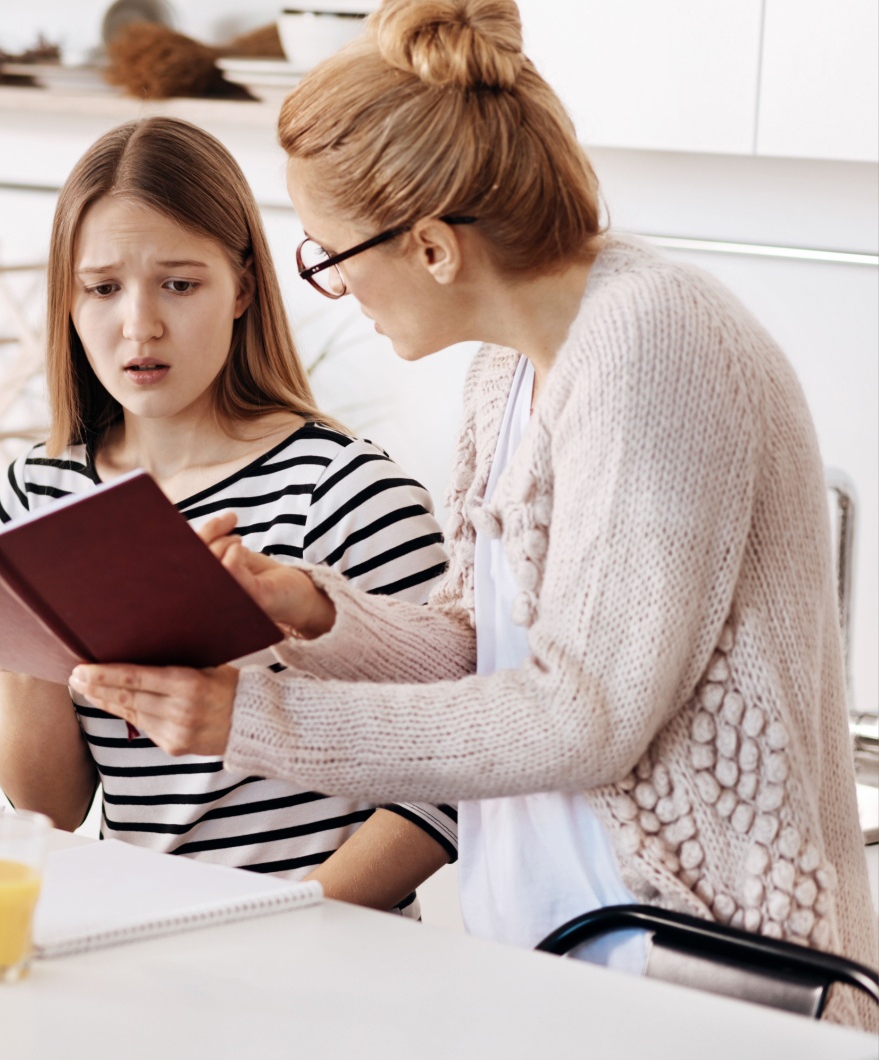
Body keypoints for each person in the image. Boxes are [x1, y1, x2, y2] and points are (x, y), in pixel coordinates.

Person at [67, 0, 879, 1027]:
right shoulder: (509, 369)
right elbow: (482, 648)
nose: (327, 286)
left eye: (328, 256)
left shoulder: (652, 343)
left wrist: (251, 719)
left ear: (432, 248)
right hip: (561, 955)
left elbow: (581, 715)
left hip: (705, 973)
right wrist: (309, 613)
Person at [0, 116, 457, 914]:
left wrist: (291, 919)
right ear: (67, 301)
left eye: (179, 283)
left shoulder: (345, 491)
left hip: (316, 963)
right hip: (131, 934)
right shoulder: (38, 494)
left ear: (242, 287)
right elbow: (50, 811)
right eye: (103, 288)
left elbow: (450, 777)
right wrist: (19, 656)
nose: (140, 325)